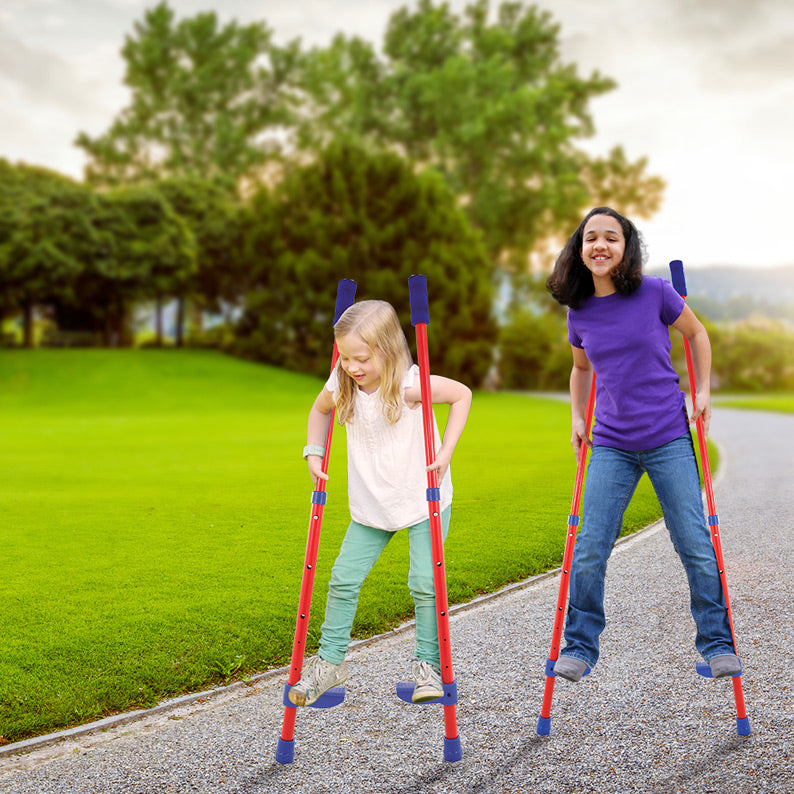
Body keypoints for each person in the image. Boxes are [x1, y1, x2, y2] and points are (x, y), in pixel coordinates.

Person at [545, 206, 741, 682]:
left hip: (667, 434)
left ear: (626, 248)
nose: (600, 246)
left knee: (694, 541)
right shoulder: (579, 311)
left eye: (611, 238)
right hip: (611, 442)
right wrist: (576, 415)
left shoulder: (655, 292)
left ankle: (715, 643)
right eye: (591, 238)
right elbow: (581, 368)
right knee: (590, 545)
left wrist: (703, 391)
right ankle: (580, 645)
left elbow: (696, 334)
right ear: (579, 249)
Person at [289, 299, 472, 706]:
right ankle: (331, 663)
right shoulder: (342, 383)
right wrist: (313, 451)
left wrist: (447, 452)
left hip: (424, 500)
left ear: (387, 349)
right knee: (342, 578)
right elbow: (318, 412)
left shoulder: (410, 385)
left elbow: (462, 394)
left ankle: (427, 665)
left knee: (425, 584)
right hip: (372, 505)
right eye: (346, 357)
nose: (353, 367)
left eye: (362, 358)